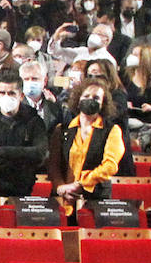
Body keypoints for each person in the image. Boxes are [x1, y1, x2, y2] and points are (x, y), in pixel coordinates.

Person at [0, 70, 50, 220]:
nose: (6, 97)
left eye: (11, 93)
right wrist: (21, 159)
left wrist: (0, 151)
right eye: (3, 93)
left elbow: (39, 154)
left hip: (22, 191)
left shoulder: (34, 121)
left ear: (21, 96)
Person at [48, 78, 125, 215]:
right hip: (62, 198)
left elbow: (110, 166)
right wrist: (60, 188)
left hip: (96, 199)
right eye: (86, 96)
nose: (90, 100)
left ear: (103, 104)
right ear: (78, 99)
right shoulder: (62, 129)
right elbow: (54, 165)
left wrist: (80, 184)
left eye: (96, 98)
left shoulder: (112, 130)